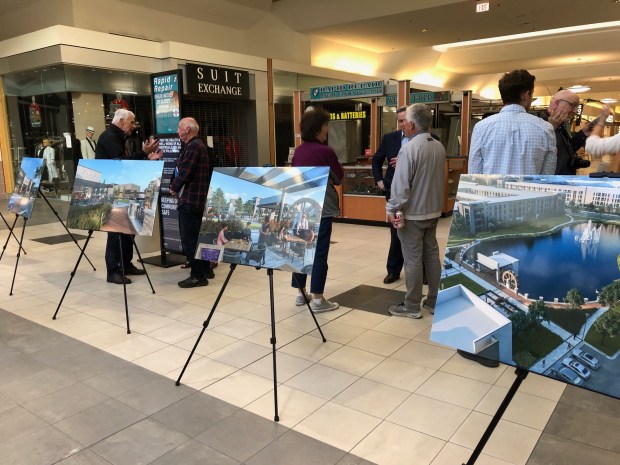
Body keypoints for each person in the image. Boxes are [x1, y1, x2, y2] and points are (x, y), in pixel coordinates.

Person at [385, 103, 445, 319]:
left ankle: (411, 305)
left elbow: (401, 186)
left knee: (412, 259)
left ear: (411, 124)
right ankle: (434, 301)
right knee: (431, 257)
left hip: (413, 215)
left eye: (404, 123)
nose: (403, 127)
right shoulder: (438, 146)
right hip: (433, 212)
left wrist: (392, 208)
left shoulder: (409, 148)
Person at [95, 108, 162, 285]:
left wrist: (147, 159)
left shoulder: (118, 137)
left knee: (128, 230)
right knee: (116, 232)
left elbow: (126, 165)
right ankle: (113, 271)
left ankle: (125, 264)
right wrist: (143, 154)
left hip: (122, 190)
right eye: (132, 122)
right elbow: (121, 165)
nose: (134, 126)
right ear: (121, 121)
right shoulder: (109, 137)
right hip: (113, 193)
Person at [291, 107, 344, 313]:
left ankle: (300, 293)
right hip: (322, 207)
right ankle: (319, 299)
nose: (327, 129)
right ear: (318, 128)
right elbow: (339, 177)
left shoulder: (299, 150)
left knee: (301, 249)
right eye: (326, 125)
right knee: (319, 252)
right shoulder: (326, 151)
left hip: (303, 206)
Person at [468, 69, 557, 175]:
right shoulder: (546, 128)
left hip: (492, 191)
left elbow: (474, 174)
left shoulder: (481, 127)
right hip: (530, 191)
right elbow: (547, 176)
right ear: (526, 95)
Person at [169, 117, 213, 288]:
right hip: (197, 199)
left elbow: (185, 172)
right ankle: (205, 269)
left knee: (189, 240)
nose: (177, 131)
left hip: (190, 200)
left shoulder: (194, 146)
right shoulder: (198, 145)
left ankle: (197, 275)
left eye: (179, 128)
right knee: (198, 237)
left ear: (187, 129)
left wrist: (173, 187)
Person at [372, 106, 407, 284]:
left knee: (418, 233)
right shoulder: (390, 138)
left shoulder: (424, 139)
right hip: (393, 191)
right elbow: (376, 159)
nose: (402, 124)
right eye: (399, 120)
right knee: (396, 231)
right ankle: (393, 270)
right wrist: (380, 182)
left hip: (416, 193)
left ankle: (423, 271)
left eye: (405, 120)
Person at [544, 89, 593, 175]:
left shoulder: (561, 125)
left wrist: (583, 133)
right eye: (572, 105)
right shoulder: (539, 124)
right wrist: (551, 127)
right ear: (557, 103)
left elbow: (568, 148)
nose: (575, 111)